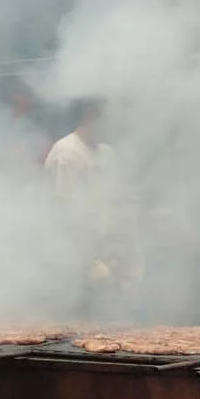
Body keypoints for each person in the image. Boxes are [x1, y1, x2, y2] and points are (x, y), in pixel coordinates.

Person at [45, 99, 139, 304]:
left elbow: (118, 204)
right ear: (90, 115)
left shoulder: (107, 154)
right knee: (77, 325)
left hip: (107, 257)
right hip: (75, 264)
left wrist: (124, 258)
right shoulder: (67, 153)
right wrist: (90, 264)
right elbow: (64, 215)